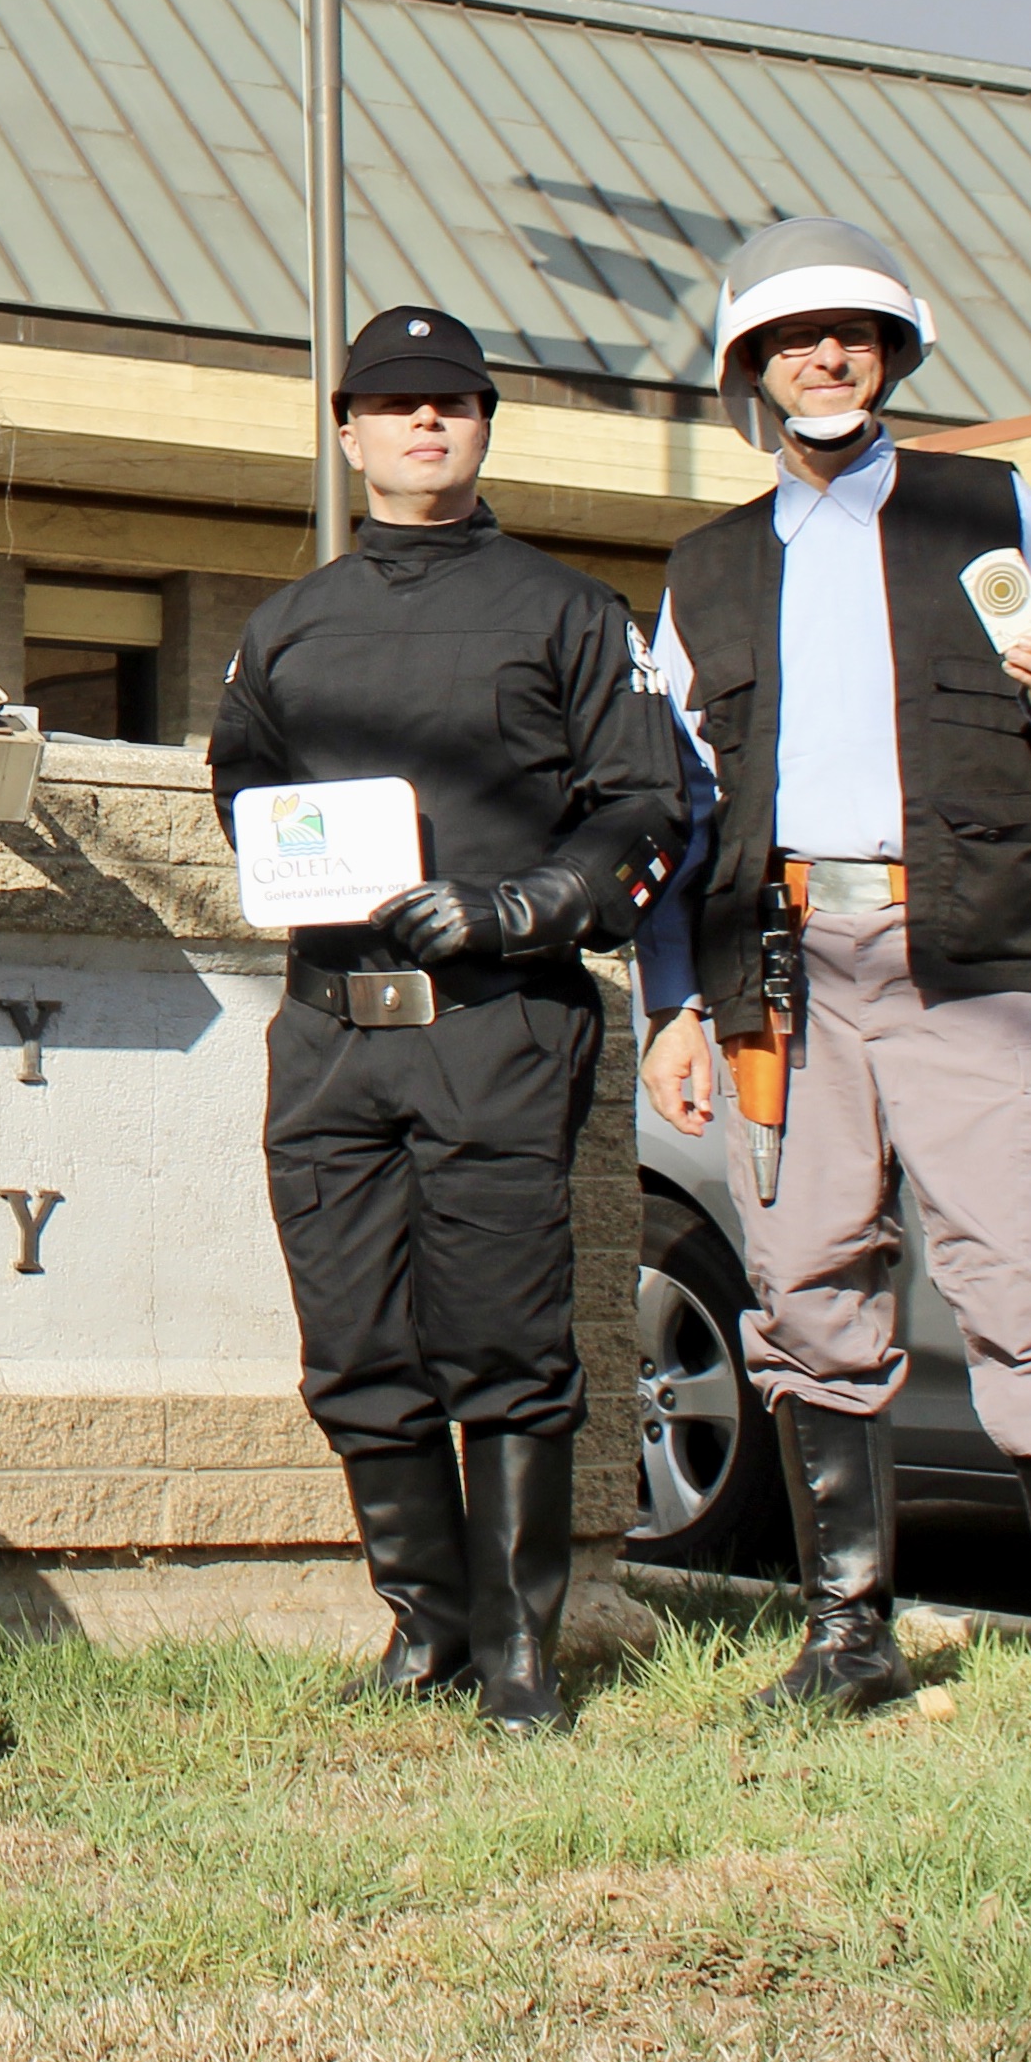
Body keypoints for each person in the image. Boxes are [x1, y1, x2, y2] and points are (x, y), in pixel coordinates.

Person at [638, 218, 1031, 1747]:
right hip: (777, 969)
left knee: (1030, 1281)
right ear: (748, 368)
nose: (826, 358)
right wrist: (672, 1002)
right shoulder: (703, 567)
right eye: (796, 339)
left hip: (972, 957)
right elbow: (676, 812)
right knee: (803, 1287)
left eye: (854, 337)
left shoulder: (982, 506)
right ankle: (845, 1631)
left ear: (889, 360)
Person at [209, 304, 686, 1731]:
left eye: (454, 403)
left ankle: (522, 1653)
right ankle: (423, 1629)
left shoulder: (568, 611)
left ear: (482, 427)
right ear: (347, 432)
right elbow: (239, 791)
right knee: (351, 1343)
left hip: (496, 1022)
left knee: (502, 1343)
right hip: (328, 1028)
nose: (426, 423)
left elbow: (643, 809)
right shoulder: (283, 627)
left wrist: (520, 905)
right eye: (396, 403)